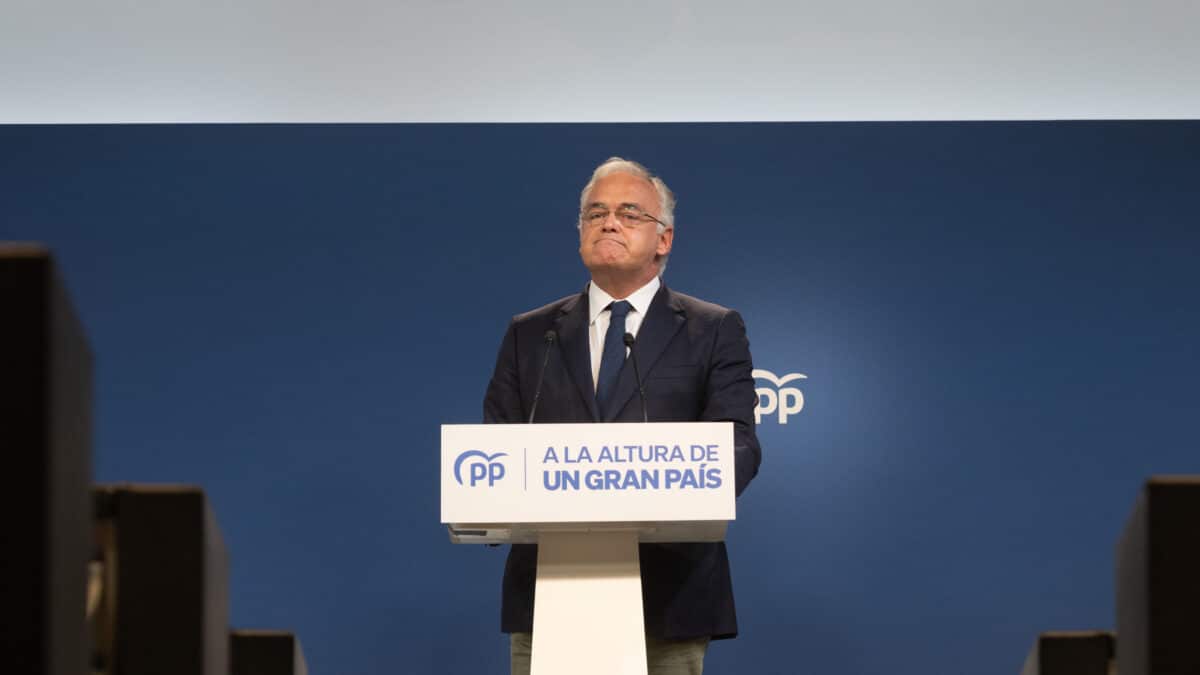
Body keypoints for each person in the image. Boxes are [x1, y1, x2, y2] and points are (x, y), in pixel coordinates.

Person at [483, 157, 762, 675]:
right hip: (548, 595)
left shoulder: (713, 329)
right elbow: (497, 445)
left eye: (629, 213)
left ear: (664, 240)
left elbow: (737, 446)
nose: (609, 222)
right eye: (595, 214)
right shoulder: (530, 333)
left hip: (668, 594)